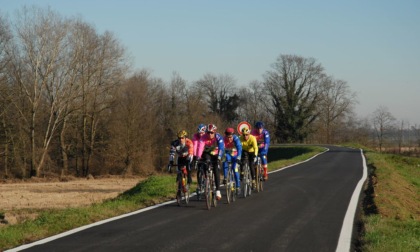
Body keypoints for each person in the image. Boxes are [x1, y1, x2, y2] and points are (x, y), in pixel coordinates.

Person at [199, 124, 224, 200]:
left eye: (211, 133)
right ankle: (206, 180)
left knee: (216, 169)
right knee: (205, 162)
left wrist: (219, 157)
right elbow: (200, 148)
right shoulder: (203, 137)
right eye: (208, 133)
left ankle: (218, 190)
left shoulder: (218, 137)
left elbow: (221, 147)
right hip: (207, 153)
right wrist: (198, 157)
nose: (210, 134)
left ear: (215, 132)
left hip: (216, 153)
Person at [223, 127, 242, 195]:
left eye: (230, 137)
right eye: (228, 137)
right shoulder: (223, 139)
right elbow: (221, 149)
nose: (229, 139)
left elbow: (239, 148)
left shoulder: (236, 138)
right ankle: (225, 177)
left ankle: (238, 186)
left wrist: (239, 157)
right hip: (228, 154)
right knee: (224, 161)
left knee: (235, 169)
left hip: (235, 155)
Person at [192, 123, 206, 192]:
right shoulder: (195, 137)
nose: (200, 134)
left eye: (202, 133)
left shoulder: (206, 137)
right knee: (199, 169)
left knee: (206, 168)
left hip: (206, 154)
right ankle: (200, 184)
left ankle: (207, 180)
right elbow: (194, 146)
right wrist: (194, 156)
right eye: (199, 133)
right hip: (198, 154)